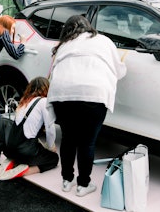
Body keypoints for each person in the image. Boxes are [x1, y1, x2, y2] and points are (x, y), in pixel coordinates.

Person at [47, 15, 127, 197]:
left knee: (68, 138)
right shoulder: (103, 40)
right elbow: (120, 70)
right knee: (87, 142)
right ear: (88, 27)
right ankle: (83, 185)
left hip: (62, 94)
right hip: (93, 94)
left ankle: (67, 181)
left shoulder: (63, 45)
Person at [0, 77, 59, 181]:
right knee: (53, 159)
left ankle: (13, 160)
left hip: (9, 148)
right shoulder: (43, 101)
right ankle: (25, 170)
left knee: (33, 146)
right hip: (25, 151)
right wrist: (51, 147)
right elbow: (50, 129)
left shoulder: (24, 101)